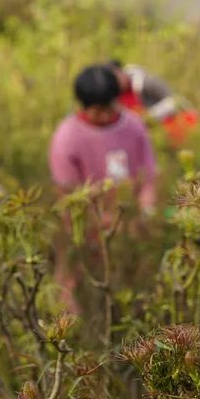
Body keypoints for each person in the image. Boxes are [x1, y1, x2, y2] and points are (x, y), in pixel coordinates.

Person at [48, 64, 159, 307]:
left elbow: (148, 177)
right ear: (83, 106)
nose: (105, 117)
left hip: (130, 223)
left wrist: (145, 213)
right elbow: (68, 197)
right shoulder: (68, 137)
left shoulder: (134, 127)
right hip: (88, 227)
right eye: (98, 111)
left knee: (137, 287)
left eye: (109, 108)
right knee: (74, 287)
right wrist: (91, 228)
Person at [110, 60, 199, 147]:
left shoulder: (146, 82)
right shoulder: (116, 97)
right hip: (153, 137)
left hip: (178, 123)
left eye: (116, 78)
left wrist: (149, 117)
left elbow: (174, 101)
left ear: (121, 72)